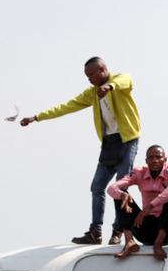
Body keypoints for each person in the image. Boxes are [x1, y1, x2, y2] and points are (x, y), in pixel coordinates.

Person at [20, 57, 140, 245]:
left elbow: (126, 80)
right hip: (109, 144)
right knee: (97, 187)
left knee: (120, 188)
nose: (90, 79)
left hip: (127, 141)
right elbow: (66, 106)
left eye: (92, 75)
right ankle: (95, 232)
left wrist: (108, 87)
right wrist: (37, 117)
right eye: (87, 77)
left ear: (103, 69)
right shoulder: (91, 94)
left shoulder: (120, 80)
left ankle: (118, 230)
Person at [106, 144, 168, 262]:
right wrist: (122, 194)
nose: (155, 160)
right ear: (146, 160)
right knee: (122, 196)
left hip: (167, 229)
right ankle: (129, 241)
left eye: (158, 157)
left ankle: (158, 244)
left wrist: (150, 206)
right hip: (145, 227)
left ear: (165, 159)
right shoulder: (138, 172)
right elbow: (111, 188)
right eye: (151, 158)